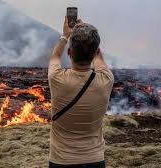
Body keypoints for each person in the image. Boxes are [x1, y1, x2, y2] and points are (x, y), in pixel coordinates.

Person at [48, 17, 114, 168]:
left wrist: (65, 35)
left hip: (61, 161)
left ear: (69, 52)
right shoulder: (106, 79)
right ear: (96, 51)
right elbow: (98, 58)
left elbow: (55, 56)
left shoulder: (57, 78)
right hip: (95, 160)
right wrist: (87, 36)